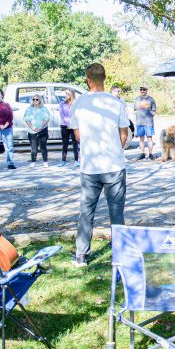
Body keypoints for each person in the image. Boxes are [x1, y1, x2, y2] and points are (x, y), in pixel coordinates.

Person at [70, 63, 129, 267]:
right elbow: (124, 134)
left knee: (86, 211)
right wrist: (115, 149)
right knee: (116, 213)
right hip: (113, 164)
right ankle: (119, 254)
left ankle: (81, 255)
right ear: (105, 78)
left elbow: (77, 136)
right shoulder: (117, 102)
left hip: (90, 166)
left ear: (88, 79)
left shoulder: (78, 104)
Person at [23, 93, 50, 167]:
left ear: (40, 100)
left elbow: (47, 119)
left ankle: (45, 161)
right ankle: (33, 161)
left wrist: (41, 127)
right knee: (33, 147)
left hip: (43, 130)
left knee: (43, 147)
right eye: (33, 99)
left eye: (37, 99)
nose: (35, 100)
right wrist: (33, 128)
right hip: (32, 131)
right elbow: (27, 120)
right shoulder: (29, 109)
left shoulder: (44, 109)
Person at [134, 85, 157, 160]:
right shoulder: (137, 99)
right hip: (139, 122)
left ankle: (150, 154)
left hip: (148, 123)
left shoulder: (151, 99)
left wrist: (150, 116)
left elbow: (154, 111)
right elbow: (134, 110)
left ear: (147, 90)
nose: (142, 91)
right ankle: (142, 153)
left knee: (149, 138)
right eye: (141, 89)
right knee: (141, 139)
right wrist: (138, 115)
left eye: (144, 89)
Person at [58, 88, 79, 167]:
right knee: (65, 143)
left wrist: (72, 123)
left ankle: (76, 161)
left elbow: (77, 114)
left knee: (75, 143)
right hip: (64, 126)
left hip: (74, 126)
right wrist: (68, 123)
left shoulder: (76, 103)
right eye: (65, 93)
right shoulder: (62, 103)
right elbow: (62, 114)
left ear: (72, 95)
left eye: (68, 94)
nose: (66, 95)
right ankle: (63, 160)